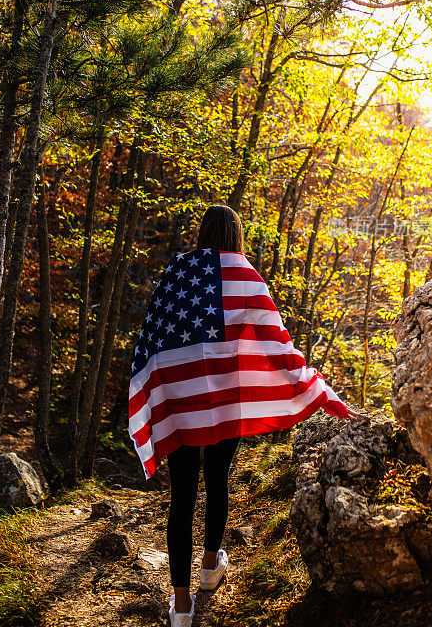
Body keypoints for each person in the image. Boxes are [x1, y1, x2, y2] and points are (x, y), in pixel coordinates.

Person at [128, 205, 356, 627]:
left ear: (202, 232)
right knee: (217, 480)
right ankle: (211, 568)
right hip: (225, 402)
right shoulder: (245, 275)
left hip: (179, 399)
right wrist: (324, 394)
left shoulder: (174, 274)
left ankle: (180, 608)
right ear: (236, 235)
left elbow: (150, 338)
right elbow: (278, 345)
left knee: (181, 496)